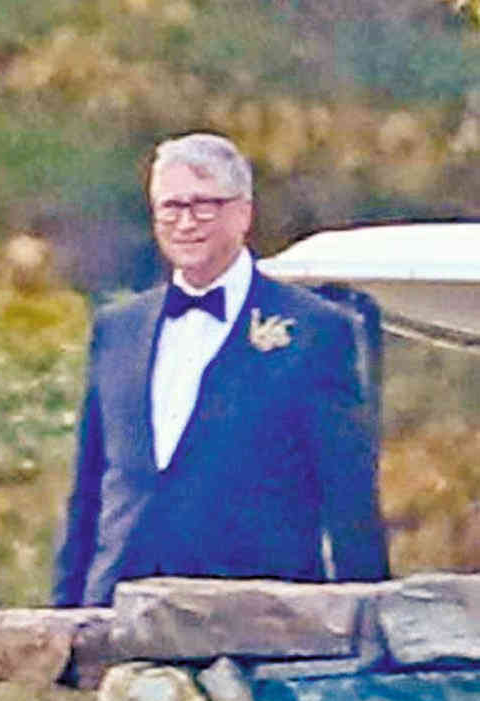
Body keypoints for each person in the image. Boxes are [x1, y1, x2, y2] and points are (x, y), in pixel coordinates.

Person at [52, 133, 388, 607]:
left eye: (203, 206)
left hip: (256, 609)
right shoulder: (118, 328)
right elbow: (88, 487)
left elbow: (348, 493)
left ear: (243, 213)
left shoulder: (316, 329)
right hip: (118, 600)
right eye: (171, 207)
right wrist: (65, 614)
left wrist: (367, 616)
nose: (185, 222)